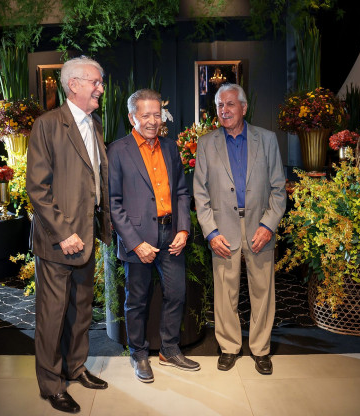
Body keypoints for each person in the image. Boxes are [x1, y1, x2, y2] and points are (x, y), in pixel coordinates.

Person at [26, 56, 112, 414]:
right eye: (96, 82)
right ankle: (51, 384)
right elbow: (37, 188)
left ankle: (75, 367)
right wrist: (63, 233)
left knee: (80, 311)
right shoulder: (47, 125)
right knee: (52, 315)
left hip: (87, 237)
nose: (101, 88)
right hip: (58, 241)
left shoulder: (95, 124)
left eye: (101, 82)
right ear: (73, 84)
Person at [108, 89, 200, 384]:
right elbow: (113, 203)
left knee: (177, 294)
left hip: (170, 234)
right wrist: (135, 243)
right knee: (137, 300)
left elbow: (182, 192)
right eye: (145, 115)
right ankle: (138, 353)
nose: (152, 121)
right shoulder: (118, 150)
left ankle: (169, 349)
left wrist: (183, 229)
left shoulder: (171, 147)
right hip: (139, 238)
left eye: (157, 114)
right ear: (131, 117)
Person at [193, 83, 286, 375]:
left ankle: (261, 349)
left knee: (263, 290)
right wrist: (211, 232)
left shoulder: (267, 139)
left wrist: (268, 225)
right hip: (222, 228)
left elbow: (279, 189)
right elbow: (200, 194)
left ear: (244, 107)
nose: (224, 110)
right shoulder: (206, 144)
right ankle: (229, 347)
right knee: (224, 291)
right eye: (219, 105)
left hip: (260, 224)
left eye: (230, 104)